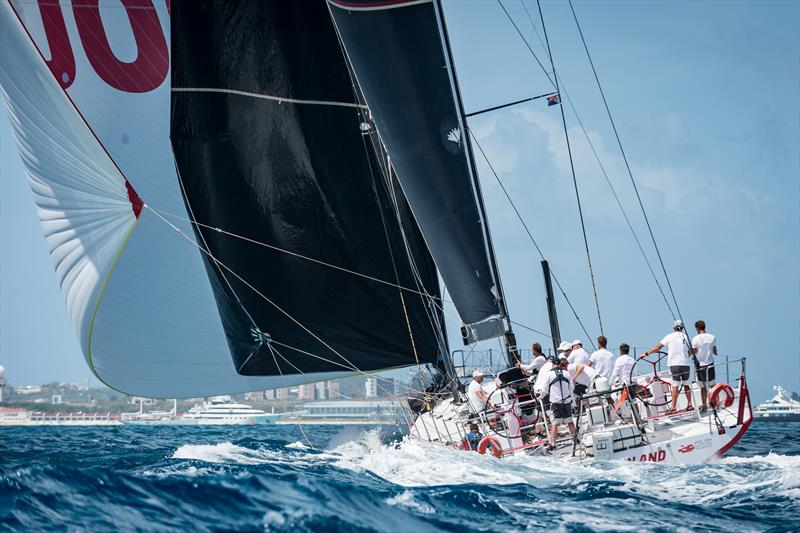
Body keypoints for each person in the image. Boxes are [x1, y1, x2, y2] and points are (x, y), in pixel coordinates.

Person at [641, 320, 694, 413]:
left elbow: (657, 347)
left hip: (675, 365)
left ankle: (673, 408)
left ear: (674, 328)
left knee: (675, 386)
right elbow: (690, 351)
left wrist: (646, 353)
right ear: (682, 328)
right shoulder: (686, 337)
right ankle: (690, 405)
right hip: (685, 364)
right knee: (686, 385)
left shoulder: (669, 336)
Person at [541, 355, 576, 448]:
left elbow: (544, 389)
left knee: (555, 423)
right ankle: (575, 439)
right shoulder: (567, 373)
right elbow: (572, 387)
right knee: (569, 421)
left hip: (556, 402)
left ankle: (553, 443)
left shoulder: (549, 374)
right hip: (567, 400)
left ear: (552, 365)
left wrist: (541, 397)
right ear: (560, 364)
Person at [692, 320, 717, 410]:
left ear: (697, 328)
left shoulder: (695, 339)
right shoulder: (712, 337)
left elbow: (694, 351)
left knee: (703, 387)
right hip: (710, 363)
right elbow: (715, 351)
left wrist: (690, 352)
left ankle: (704, 406)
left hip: (700, 366)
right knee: (712, 386)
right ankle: (715, 404)